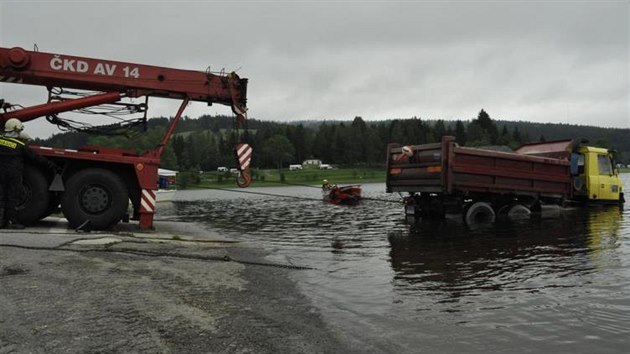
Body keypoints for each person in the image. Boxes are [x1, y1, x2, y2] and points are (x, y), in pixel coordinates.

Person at [0, 118, 56, 229]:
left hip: (1, 172)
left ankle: (0, 221)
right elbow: (35, 157)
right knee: (12, 196)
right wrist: (49, 164)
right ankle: (11, 221)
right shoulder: (19, 145)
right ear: (17, 130)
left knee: (1, 196)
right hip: (13, 173)